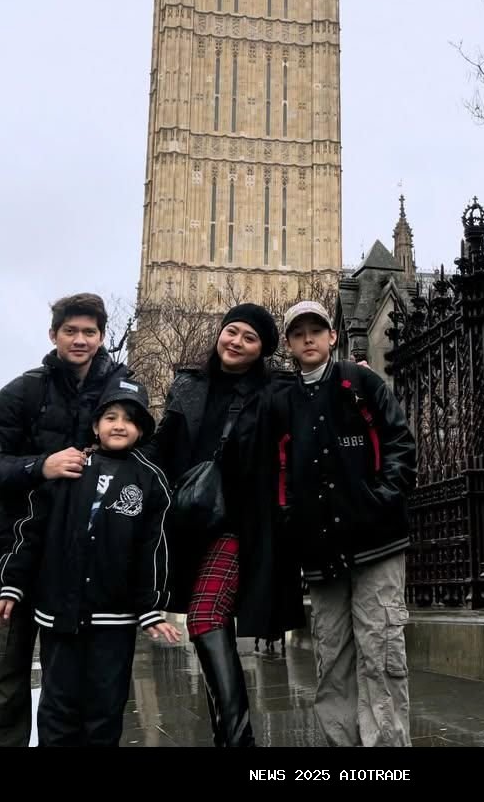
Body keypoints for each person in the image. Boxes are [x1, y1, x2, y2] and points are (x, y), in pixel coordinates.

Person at [0, 293, 133, 747]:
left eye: (89, 332)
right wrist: (41, 465)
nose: (80, 340)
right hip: (21, 553)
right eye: (70, 331)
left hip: (88, 562)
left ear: (101, 336)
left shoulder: (121, 391)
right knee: (4, 675)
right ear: (53, 335)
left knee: (78, 688)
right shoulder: (24, 391)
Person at [0, 377, 181, 746]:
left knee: (105, 709)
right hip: (60, 615)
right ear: (95, 425)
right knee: (57, 708)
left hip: (114, 618)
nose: (119, 425)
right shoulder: (68, 466)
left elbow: (152, 550)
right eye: (111, 417)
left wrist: (150, 608)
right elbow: (31, 531)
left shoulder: (149, 480)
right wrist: (13, 584)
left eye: (130, 419)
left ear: (141, 430)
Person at [145, 304, 304, 748]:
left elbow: (314, 416)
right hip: (191, 521)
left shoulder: (275, 391)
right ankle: (231, 737)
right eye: (231, 331)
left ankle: (238, 740)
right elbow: (162, 445)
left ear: (262, 350)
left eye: (249, 338)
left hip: (241, 523)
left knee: (206, 615)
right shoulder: (187, 385)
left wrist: (352, 381)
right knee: (207, 619)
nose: (236, 342)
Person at [271, 300, 416, 748]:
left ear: (332, 336)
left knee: (380, 651)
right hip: (320, 552)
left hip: (376, 542)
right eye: (299, 333)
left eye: (316, 330)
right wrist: (293, 523)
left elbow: (399, 441)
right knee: (331, 657)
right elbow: (278, 473)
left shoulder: (361, 382)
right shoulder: (283, 402)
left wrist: (383, 499)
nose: (308, 339)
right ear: (289, 344)